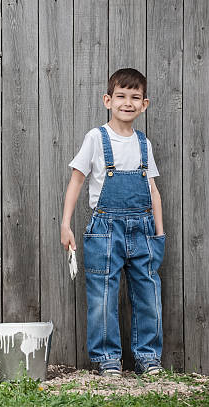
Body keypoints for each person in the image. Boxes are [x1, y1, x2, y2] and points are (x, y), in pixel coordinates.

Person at [60, 68, 165, 377]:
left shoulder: (144, 144)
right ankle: (107, 360)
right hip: (105, 230)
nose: (127, 103)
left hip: (144, 230)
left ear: (144, 104)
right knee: (102, 295)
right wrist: (65, 224)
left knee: (148, 293)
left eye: (135, 97)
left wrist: (159, 233)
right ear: (108, 100)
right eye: (121, 96)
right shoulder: (96, 138)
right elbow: (76, 181)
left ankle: (148, 358)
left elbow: (154, 191)